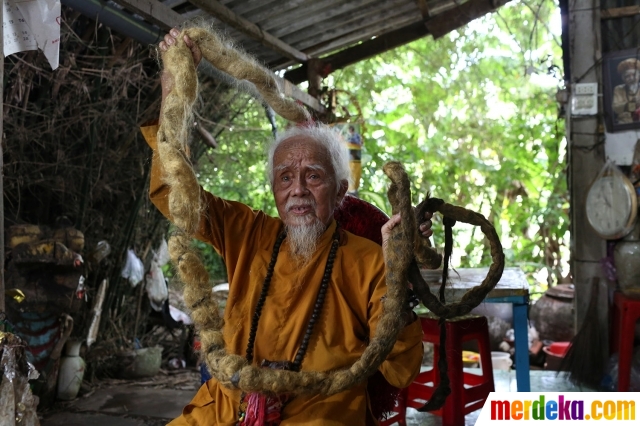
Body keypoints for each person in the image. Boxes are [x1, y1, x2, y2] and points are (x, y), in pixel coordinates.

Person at [146, 28, 434, 426]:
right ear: (274, 190)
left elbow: (401, 371)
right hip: (227, 410)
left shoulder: (369, 260)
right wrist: (172, 86)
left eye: (313, 176)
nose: (297, 189)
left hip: (319, 415)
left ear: (339, 193)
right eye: (285, 178)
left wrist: (398, 270)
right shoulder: (247, 231)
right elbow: (171, 193)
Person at [612, 57, 640, 124]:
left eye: (634, 74)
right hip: (625, 123)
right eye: (627, 76)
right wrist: (632, 103)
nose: (631, 78)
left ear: (639, 75)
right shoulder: (618, 89)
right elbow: (615, 108)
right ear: (623, 78)